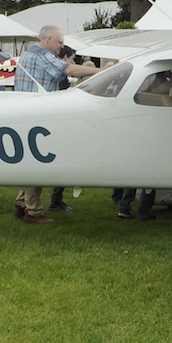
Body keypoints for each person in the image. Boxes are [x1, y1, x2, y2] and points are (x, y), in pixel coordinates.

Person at [13, 26, 101, 224]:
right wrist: (102, 71)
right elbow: (69, 69)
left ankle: (21, 203)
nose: (61, 47)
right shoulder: (42, 55)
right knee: (38, 165)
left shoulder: (29, 54)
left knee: (32, 163)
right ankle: (33, 212)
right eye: (59, 42)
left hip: (25, 114)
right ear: (47, 40)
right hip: (36, 116)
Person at [48, 45, 77, 213]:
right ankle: (55, 201)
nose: (73, 61)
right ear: (65, 58)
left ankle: (56, 200)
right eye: (72, 58)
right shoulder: (61, 76)